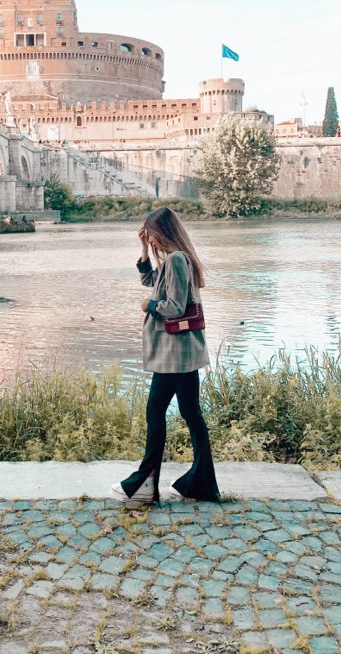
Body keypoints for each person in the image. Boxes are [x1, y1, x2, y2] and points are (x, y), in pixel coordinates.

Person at [111, 206, 219, 507]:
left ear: (165, 232)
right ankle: (202, 483)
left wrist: (149, 306)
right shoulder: (176, 259)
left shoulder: (175, 260)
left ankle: (144, 484)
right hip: (183, 353)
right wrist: (143, 249)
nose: (153, 241)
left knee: (155, 412)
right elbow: (151, 281)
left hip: (174, 354)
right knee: (191, 414)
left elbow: (173, 306)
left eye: (154, 236)